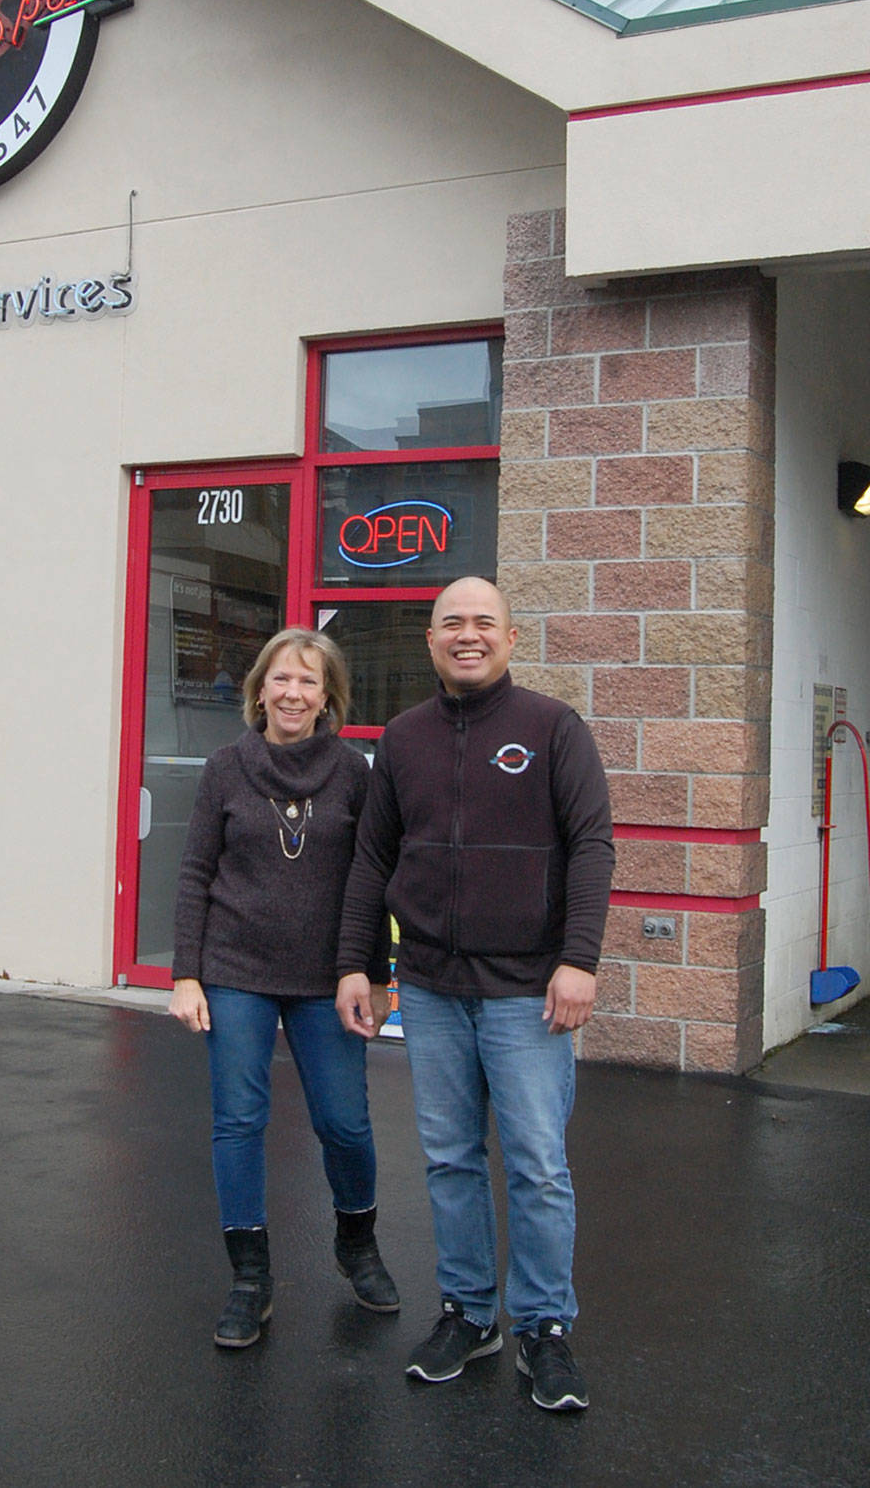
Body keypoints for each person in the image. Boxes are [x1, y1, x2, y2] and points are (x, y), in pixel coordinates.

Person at [336, 577, 613, 1412]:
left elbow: (592, 845)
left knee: (537, 1166)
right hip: (429, 988)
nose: (467, 635)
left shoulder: (552, 729)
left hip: (528, 990)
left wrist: (580, 959)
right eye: (450, 623)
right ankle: (470, 1311)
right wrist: (362, 966)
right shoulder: (404, 738)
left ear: (510, 637)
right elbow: (372, 861)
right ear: (429, 639)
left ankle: (544, 1328)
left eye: (482, 623)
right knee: (450, 1159)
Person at [170, 626, 397, 1349]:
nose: (293, 692)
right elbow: (195, 874)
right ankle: (249, 1278)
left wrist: (379, 975)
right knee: (238, 1120)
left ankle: (356, 1244)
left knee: (344, 1124)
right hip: (235, 969)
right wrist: (185, 973)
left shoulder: (355, 774)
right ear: (259, 688)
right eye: (281, 679)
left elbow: (373, 883)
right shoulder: (225, 769)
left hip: (328, 978)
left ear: (326, 696)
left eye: (308, 681)